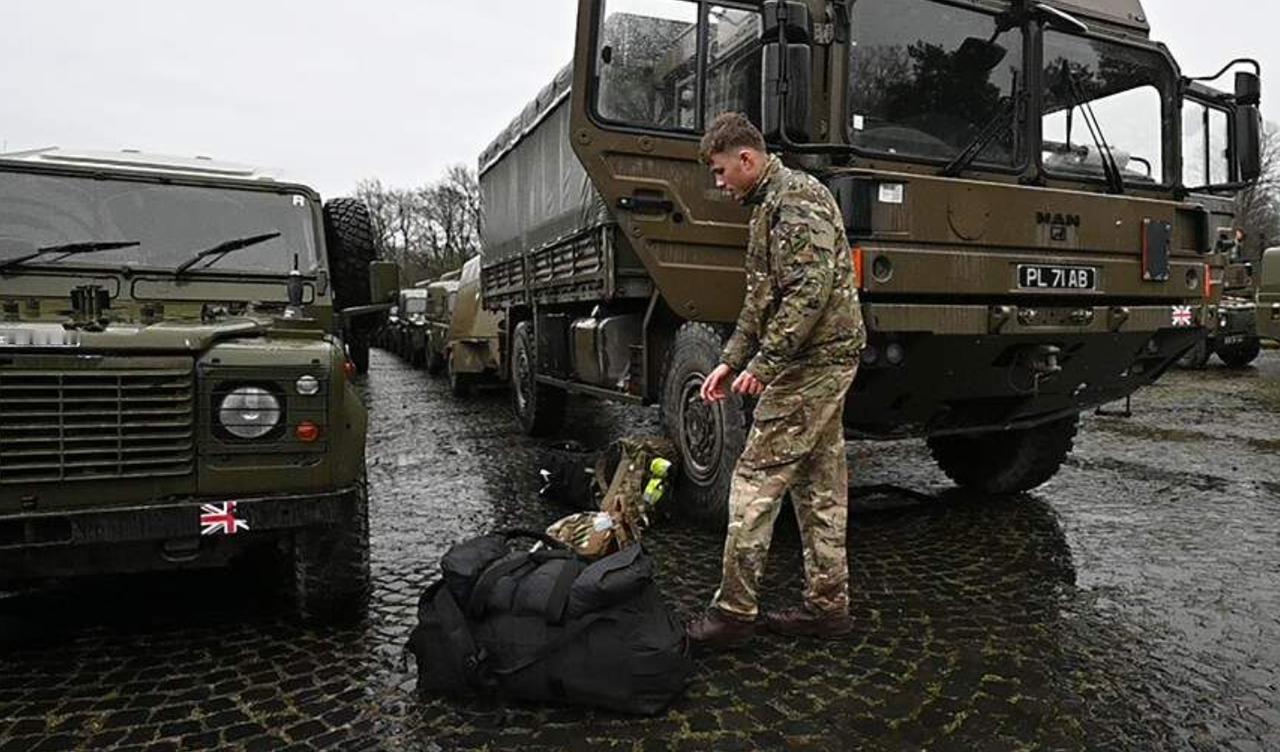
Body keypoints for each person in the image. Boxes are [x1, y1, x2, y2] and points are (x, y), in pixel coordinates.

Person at [685, 113, 866, 649]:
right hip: (817, 358)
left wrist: (762, 367)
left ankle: (733, 614)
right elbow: (761, 298)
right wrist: (731, 359)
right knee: (819, 486)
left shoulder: (795, 201)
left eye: (721, 172)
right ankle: (828, 609)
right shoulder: (768, 204)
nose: (719, 184)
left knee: (753, 481)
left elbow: (809, 293)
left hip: (815, 362)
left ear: (748, 158)